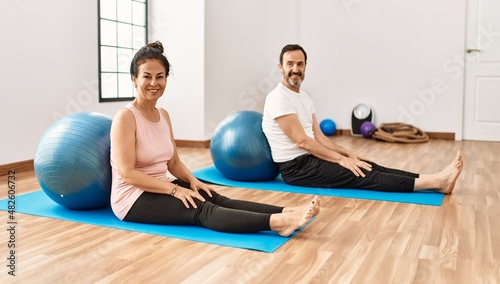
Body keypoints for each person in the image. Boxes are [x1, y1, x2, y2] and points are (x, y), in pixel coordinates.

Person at [110, 41, 320, 236]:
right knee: (201, 210)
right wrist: (174, 190)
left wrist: (192, 181)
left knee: (214, 197)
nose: (154, 83)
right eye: (147, 76)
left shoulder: (163, 114)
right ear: (134, 79)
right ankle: (279, 224)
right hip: (132, 197)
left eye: (160, 76)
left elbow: (173, 162)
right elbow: (128, 174)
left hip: (160, 184)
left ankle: (287, 211)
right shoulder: (125, 118)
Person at [262, 44, 463, 194]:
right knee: (360, 174)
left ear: (305, 66)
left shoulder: (303, 97)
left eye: (300, 64)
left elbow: (318, 136)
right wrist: (342, 160)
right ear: (280, 66)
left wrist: (349, 153)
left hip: (311, 158)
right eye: (290, 64)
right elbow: (303, 141)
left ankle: (435, 179)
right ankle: (437, 183)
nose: (295, 69)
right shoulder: (278, 98)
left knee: (368, 165)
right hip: (296, 168)